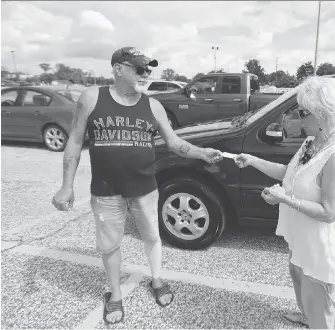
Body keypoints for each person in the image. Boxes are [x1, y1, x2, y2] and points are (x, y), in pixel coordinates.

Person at [52, 47, 223, 325]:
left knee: (153, 237)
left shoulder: (153, 105)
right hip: (106, 191)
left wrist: (202, 152)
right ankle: (115, 294)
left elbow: (174, 143)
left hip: (145, 189)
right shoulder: (92, 97)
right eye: (140, 69)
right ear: (119, 69)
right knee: (109, 246)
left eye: (149, 70)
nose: (146, 75)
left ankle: (156, 280)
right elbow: (74, 139)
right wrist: (66, 186)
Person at [234, 76, 335, 329]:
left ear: (322, 114)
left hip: (322, 247)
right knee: (298, 277)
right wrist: (253, 160)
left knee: (319, 304)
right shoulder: (311, 142)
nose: (298, 118)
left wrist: (285, 199)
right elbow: (288, 173)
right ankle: (305, 315)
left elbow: (329, 212)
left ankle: (316, 322)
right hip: (303, 237)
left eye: (303, 112)